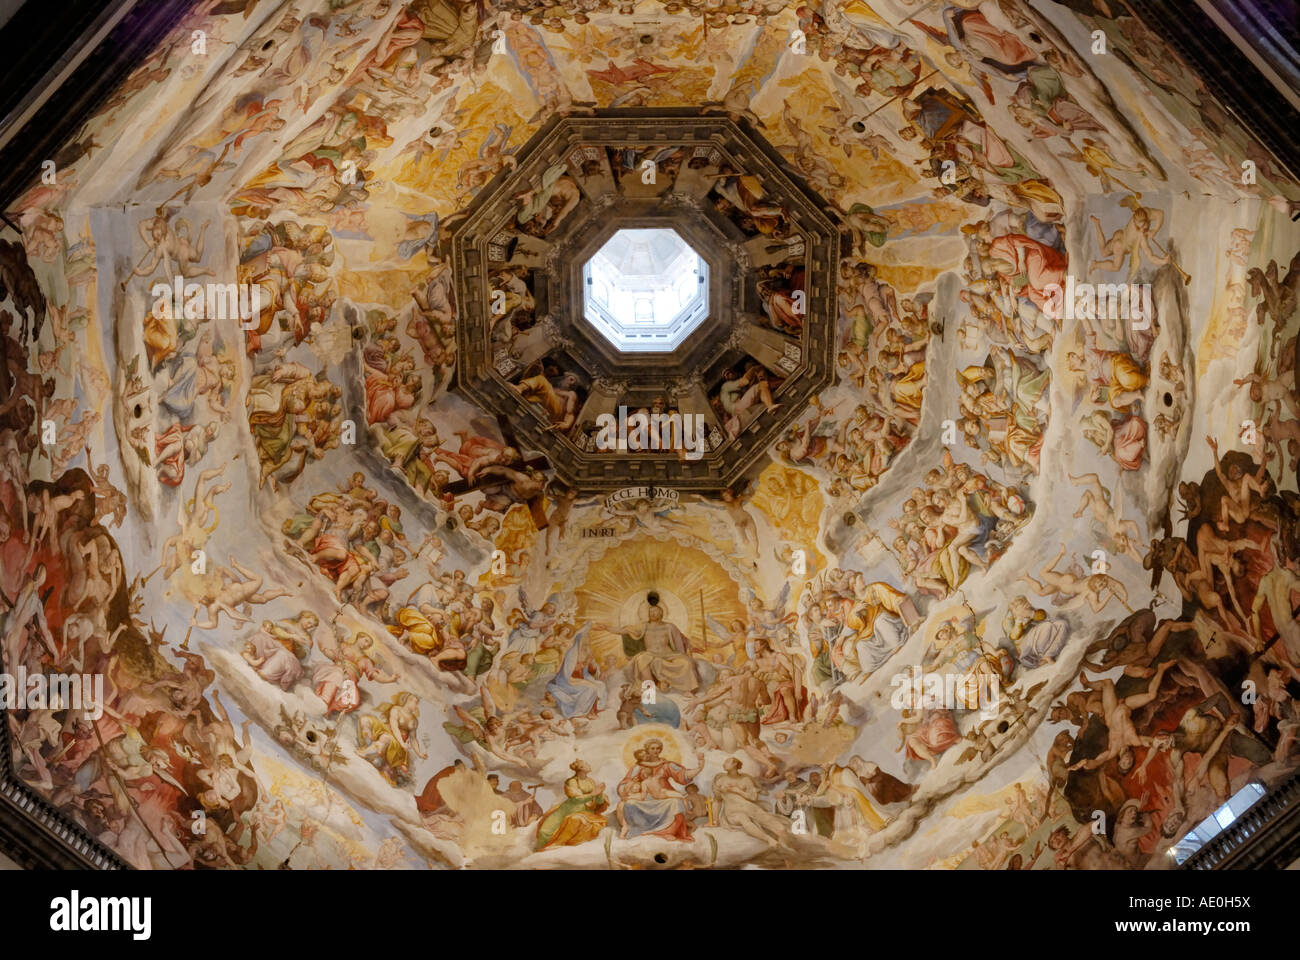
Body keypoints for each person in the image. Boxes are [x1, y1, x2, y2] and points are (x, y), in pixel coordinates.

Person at [535, 759, 608, 850]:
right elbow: (575, 799)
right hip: (567, 809)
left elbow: (599, 802)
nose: (589, 764)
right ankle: (540, 852)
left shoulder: (591, 781)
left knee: (571, 826)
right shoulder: (572, 781)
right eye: (586, 763)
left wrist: (600, 793)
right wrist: (593, 793)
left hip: (584, 811)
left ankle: (553, 848)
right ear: (581, 768)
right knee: (544, 831)